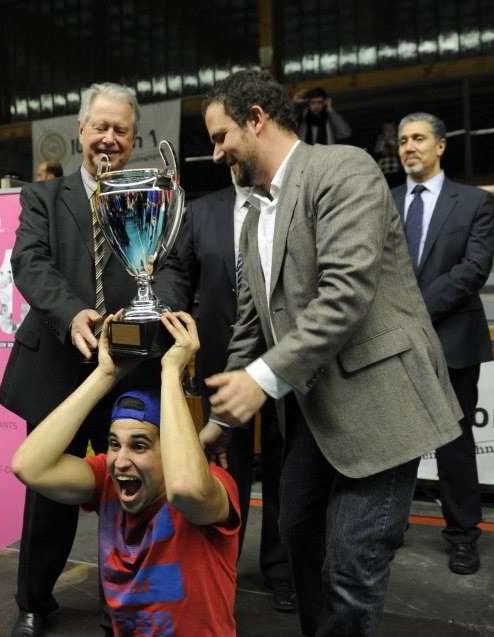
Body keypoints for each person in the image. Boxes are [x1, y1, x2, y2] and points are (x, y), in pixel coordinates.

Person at [201, 69, 461, 636]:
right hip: (315, 412)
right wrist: (220, 420)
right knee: (298, 539)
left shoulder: (343, 168)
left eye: (221, 137)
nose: (216, 153)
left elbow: (345, 293)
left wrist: (260, 380)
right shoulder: (254, 217)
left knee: (350, 564)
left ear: (256, 119)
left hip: (381, 403)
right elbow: (251, 324)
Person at [0, 82, 187, 637]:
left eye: (120, 130)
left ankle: (120, 602)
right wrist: (73, 313)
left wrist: (150, 317)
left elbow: (174, 271)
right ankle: (33, 601)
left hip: (129, 370)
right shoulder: (43, 198)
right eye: (99, 127)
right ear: (80, 131)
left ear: (134, 137)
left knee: (129, 488)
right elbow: (30, 263)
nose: (109, 138)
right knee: (46, 495)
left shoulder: (154, 194)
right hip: (57, 365)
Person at [11, 310, 241, 637]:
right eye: (114, 444)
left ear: (170, 450)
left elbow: (186, 489)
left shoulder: (215, 485)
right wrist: (105, 374)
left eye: (140, 446)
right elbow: (28, 466)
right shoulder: (107, 480)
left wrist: (171, 371)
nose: (121, 460)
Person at [170, 166, 295, 611]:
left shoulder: (288, 202)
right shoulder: (201, 211)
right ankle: (223, 562)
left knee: (285, 464)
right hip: (221, 359)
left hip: (285, 357)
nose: (225, 155)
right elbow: (179, 277)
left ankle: (282, 569)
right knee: (226, 464)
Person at [393, 112, 494, 574]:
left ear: (440, 146)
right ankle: (389, 525)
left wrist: (414, 308)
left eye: (418, 138)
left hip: (453, 340)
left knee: (454, 443)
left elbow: (474, 270)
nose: (409, 147)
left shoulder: (474, 202)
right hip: (393, 342)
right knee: (395, 443)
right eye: (402, 141)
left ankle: (462, 535)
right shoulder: (384, 201)